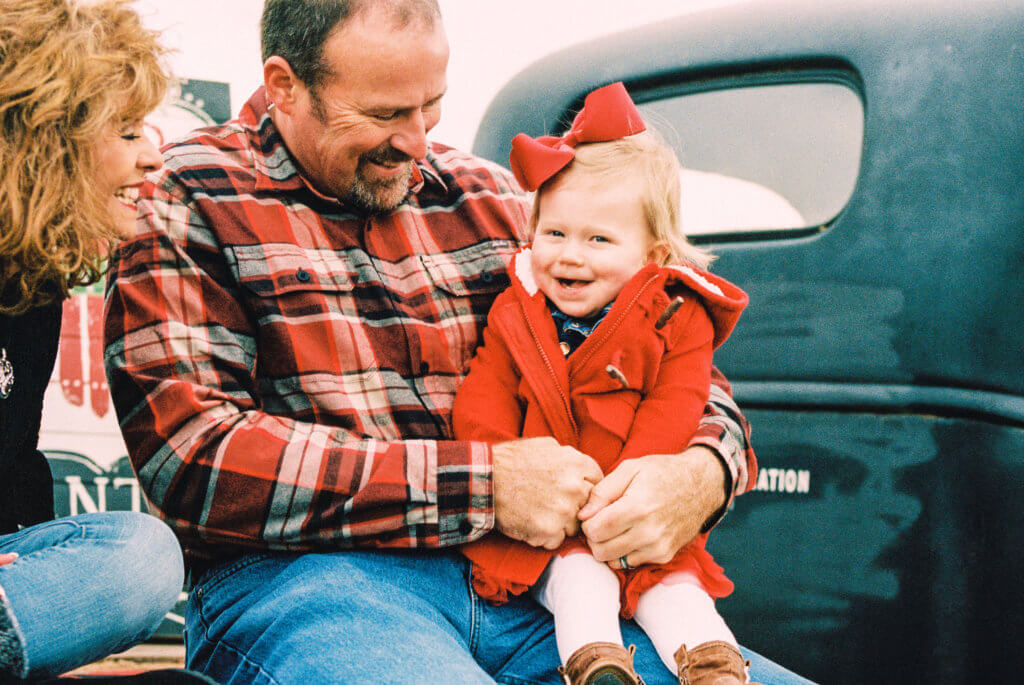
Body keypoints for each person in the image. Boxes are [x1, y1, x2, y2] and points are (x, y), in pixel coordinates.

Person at [103, 1, 809, 683]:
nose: (416, 141)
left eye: (429, 106)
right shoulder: (187, 195)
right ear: (285, 85)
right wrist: (489, 487)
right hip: (305, 584)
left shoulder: (486, 197)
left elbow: (673, 355)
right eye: (384, 114)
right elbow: (194, 455)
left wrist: (700, 474)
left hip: (532, 586)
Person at [453, 82, 757, 685]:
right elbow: (483, 397)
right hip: (550, 523)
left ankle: (713, 665)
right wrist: (505, 463)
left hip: (633, 509)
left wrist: (632, 488)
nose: (571, 257)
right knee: (576, 582)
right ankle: (595, 663)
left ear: (655, 252)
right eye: (555, 234)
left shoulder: (677, 316)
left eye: (599, 240)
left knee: (676, 587)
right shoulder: (517, 314)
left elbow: (679, 401)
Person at [0, 1, 212, 682]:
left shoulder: (32, 286)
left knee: (142, 553)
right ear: (44, 144)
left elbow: (16, 480)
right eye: (126, 132)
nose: (154, 154)